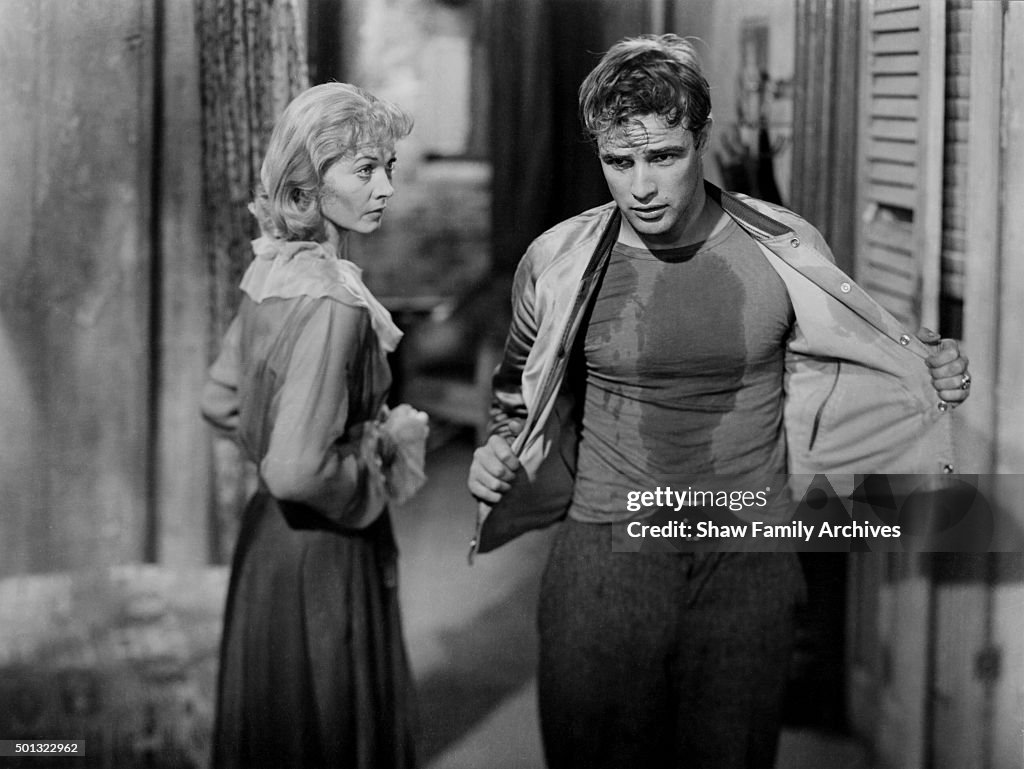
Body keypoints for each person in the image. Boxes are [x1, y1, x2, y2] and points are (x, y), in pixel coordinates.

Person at [467, 34, 971, 769]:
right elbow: (517, 390)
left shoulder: (783, 246)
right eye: (619, 161)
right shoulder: (557, 261)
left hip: (747, 556)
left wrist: (933, 370)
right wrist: (498, 451)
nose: (641, 186)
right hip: (607, 554)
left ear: (700, 139)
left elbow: (864, 356)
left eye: (663, 157)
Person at [201, 82, 428, 769]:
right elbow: (297, 468)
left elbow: (219, 399)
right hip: (325, 550)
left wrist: (280, 434)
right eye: (365, 169)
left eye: (387, 166)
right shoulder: (335, 304)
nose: (385, 186)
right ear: (306, 182)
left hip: (269, 543)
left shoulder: (274, 272)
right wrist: (368, 460)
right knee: (328, 729)